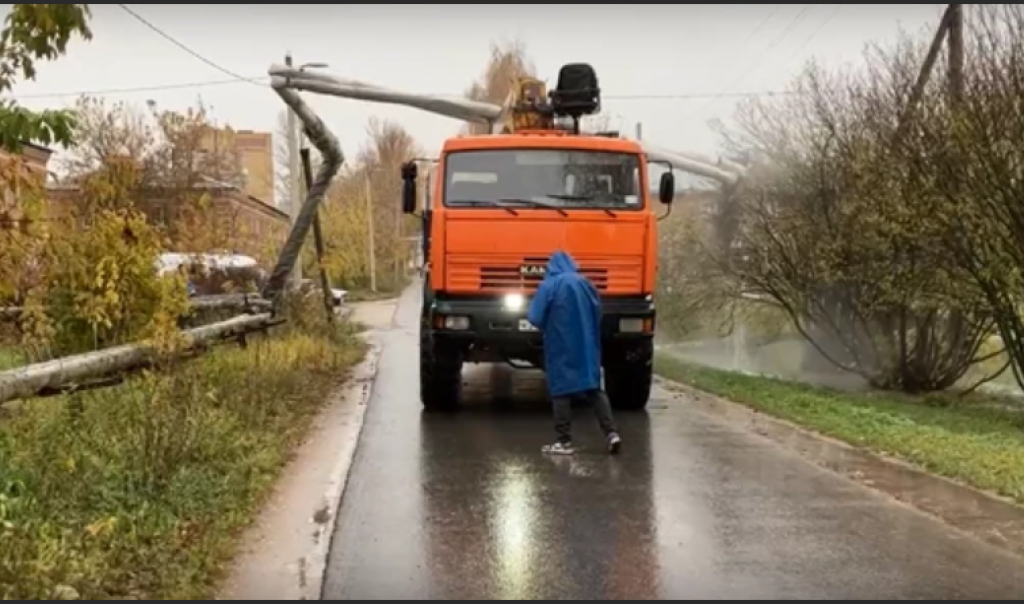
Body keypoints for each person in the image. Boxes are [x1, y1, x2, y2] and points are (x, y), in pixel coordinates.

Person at [527, 250, 622, 456]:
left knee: (561, 390)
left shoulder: (549, 286)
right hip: (586, 344)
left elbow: (535, 317)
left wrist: (548, 324)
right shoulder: (585, 284)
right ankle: (611, 433)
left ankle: (563, 441)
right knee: (593, 389)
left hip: (560, 343)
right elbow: (598, 312)